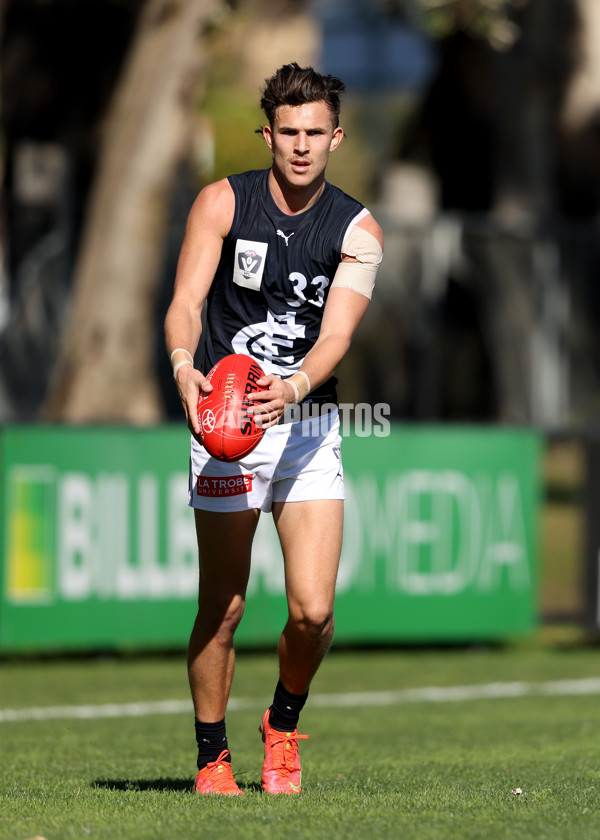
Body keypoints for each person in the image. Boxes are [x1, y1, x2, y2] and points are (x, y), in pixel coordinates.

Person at [164, 62, 384, 796]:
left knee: (314, 612)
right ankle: (211, 757)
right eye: (287, 132)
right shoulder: (222, 202)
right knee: (222, 606)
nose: (300, 146)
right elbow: (187, 303)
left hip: (308, 425)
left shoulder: (358, 229)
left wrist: (289, 388)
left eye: (314, 133)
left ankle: (282, 723)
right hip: (225, 423)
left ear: (336, 137)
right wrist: (180, 364)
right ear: (268, 133)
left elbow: (336, 339)